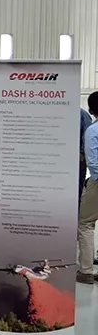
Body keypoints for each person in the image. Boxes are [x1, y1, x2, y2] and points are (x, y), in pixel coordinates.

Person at [79, 92, 98, 284]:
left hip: (97, 182)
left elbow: (93, 162)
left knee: (85, 223)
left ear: (92, 111)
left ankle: (85, 271)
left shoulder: (93, 130)